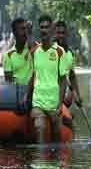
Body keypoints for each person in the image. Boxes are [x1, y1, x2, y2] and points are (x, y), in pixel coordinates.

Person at [27, 15, 68, 144]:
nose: (44, 30)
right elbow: (33, 75)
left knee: (57, 139)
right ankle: (40, 162)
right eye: (42, 27)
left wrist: (60, 104)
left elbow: (63, 80)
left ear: (52, 30)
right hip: (38, 102)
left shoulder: (59, 52)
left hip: (54, 102)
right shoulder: (34, 52)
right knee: (40, 127)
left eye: (47, 27)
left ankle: (55, 162)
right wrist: (27, 97)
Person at [55, 20, 81, 107]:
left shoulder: (70, 53)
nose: (60, 36)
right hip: (51, 93)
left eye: (63, 33)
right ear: (54, 34)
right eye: (58, 33)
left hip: (64, 92)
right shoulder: (50, 50)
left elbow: (72, 76)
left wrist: (77, 95)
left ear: (66, 34)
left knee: (69, 98)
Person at [3, 18, 34, 86]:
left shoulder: (33, 48)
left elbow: (36, 54)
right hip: (17, 92)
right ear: (14, 32)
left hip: (35, 92)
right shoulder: (8, 55)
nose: (25, 32)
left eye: (26, 29)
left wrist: (30, 35)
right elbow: (8, 82)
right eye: (22, 29)